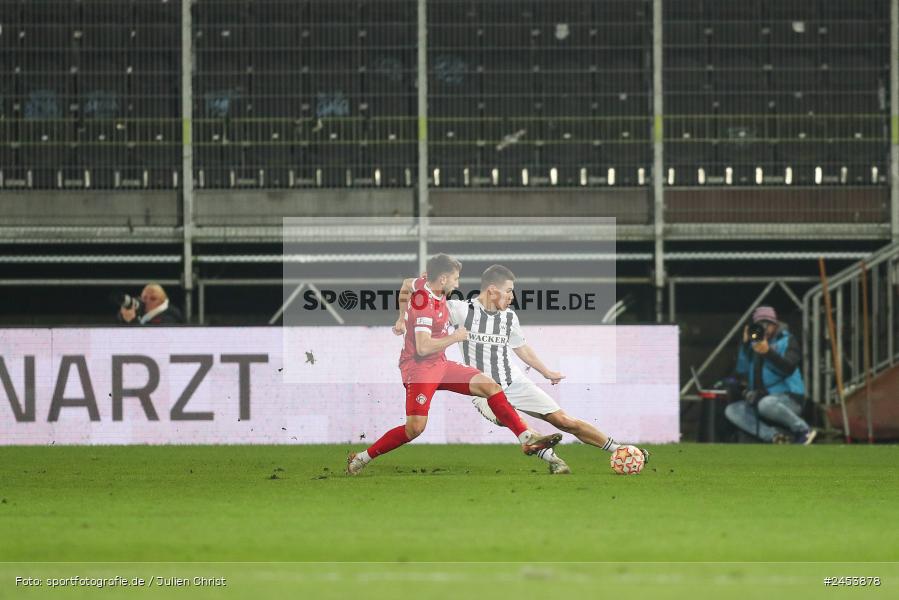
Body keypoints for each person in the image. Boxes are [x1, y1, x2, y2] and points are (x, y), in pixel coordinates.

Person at [346, 254, 561, 475]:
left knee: (490, 387)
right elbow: (423, 347)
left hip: (440, 363)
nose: (458, 284)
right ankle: (363, 458)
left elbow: (405, 285)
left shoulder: (424, 283)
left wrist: (401, 318)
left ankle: (526, 438)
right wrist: (455, 337)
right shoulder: (425, 305)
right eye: (455, 279)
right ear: (442, 280)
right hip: (419, 370)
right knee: (414, 429)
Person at [442, 264, 650, 474]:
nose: (512, 296)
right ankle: (555, 461)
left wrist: (546, 372)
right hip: (483, 391)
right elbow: (428, 309)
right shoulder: (460, 309)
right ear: (492, 290)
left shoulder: (509, 318)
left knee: (563, 420)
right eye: (508, 291)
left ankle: (621, 450)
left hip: (515, 382)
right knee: (514, 421)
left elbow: (521, 348)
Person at [725, 305, 815, 444]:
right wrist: (744, 347)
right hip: (761, 398)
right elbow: (741, 372)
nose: (765, 328)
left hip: (789, 398)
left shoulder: (787, 340)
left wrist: (768, 352)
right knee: (732, 410)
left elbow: (787, 369)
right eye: (760, 325)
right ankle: (774, 437)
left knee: (765, 404)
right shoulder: (752, 345)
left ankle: (803, 430)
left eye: (768, 324)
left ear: (775, 325)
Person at [118, 283, 184, 325]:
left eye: (153, 299)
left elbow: (151, 338)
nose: (147, 301)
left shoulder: (170, 317)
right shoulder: (141, 309)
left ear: (162, 301)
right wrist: (123, 317)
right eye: (144, 298)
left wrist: (132, 321)